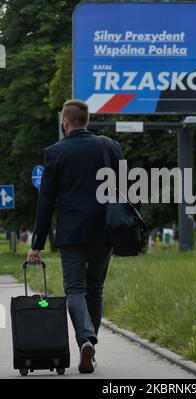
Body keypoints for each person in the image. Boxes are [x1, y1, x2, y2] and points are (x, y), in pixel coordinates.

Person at [27, 99, 124, 374]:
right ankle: (90, 341)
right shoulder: (110, 147)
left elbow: (46, 202)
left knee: (74, 290)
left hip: (72, 234)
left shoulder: (55, 153)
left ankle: (84, 339)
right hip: (105, 231)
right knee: (96, 290)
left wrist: (37, 244)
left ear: (65, 122)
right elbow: (126, 188)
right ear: (87, 121)